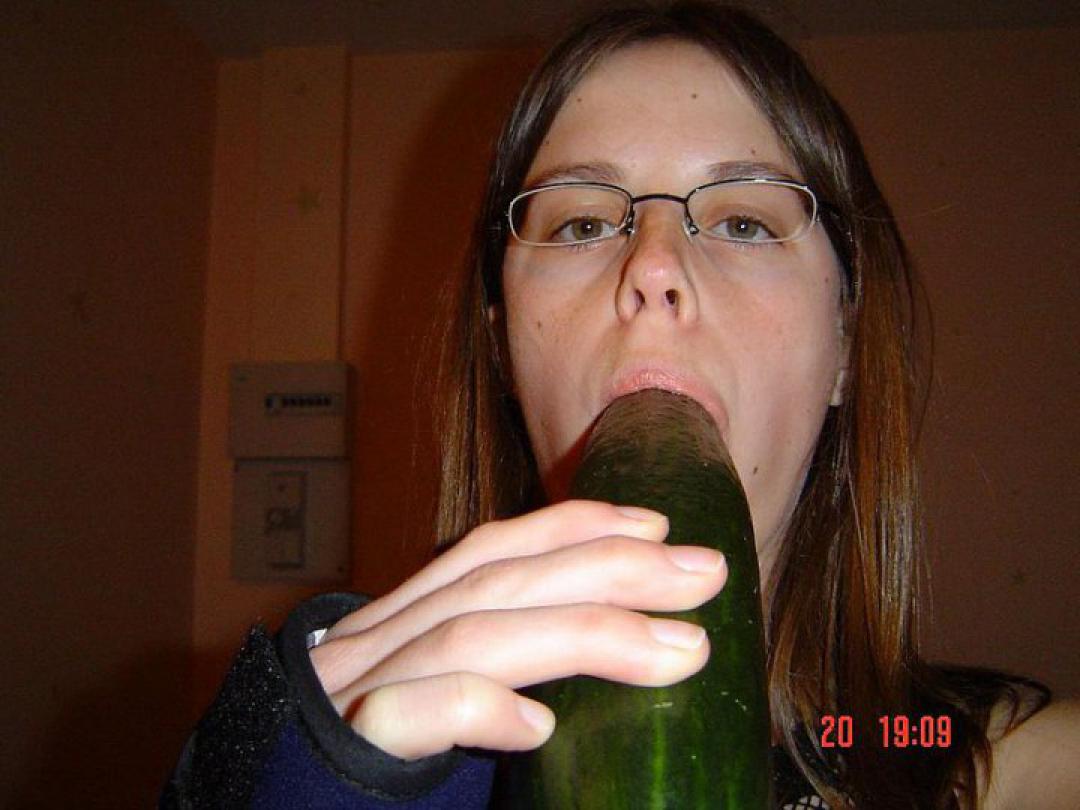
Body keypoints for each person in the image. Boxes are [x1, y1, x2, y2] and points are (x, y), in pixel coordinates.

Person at [162, 3, 1079, 808]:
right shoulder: (336, 742)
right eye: (583, 223)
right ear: (503, 349)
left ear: (844, 345)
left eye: (745, 221)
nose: (654, 268)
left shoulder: (1006, 766)